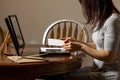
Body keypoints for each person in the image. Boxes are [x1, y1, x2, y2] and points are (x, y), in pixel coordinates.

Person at [62, 0, 120, 80]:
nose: (86, 8)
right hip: (97, 69)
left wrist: (81, 47)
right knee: (60, 75)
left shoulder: (112, 21)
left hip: (110, 74)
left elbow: (109, 56)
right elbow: (99, 45)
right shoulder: (103, 19)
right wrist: (78, 42)